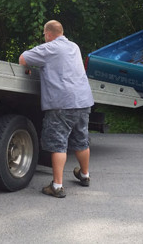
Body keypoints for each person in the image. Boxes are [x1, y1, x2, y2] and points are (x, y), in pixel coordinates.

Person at [19, 20, 94, 198]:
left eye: (45, 35)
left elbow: (23, 59)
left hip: (62, 103)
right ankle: (84, 175)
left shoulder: (50, 48)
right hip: (83, 101)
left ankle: (57, 186)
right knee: (81, 139)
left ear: (48, 34)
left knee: (58, 143)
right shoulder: (74, 47)